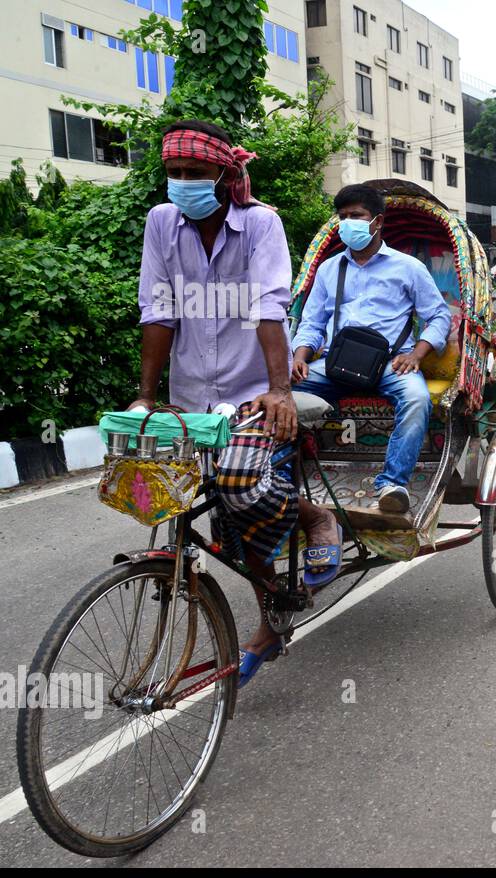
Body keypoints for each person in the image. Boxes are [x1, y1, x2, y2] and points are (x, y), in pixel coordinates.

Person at [131, 119, 341, 688]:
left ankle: (314, 516)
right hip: (191, 392)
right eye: (173, 174)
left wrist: (279, 390)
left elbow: (269, 306)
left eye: (194, 173)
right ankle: (272, 610)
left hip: (252, 389)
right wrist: (145, 397)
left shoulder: (260, 224)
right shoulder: (161, 223)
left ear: (224, 176)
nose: (182, 183)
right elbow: (158, 308)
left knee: (240, 486)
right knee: (181, 498)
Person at [292, 184, 452, 517]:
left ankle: (392, 484)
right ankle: (283, 478)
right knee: (279, 391)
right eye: (343, 217)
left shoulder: (407, 267)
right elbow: (312, 321)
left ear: (377, 221)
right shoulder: (330, 268)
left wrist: (417, 355)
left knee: (417, 399)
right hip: (337, 364)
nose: (348, 223)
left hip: (391, 366)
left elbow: (438, 315)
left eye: (357, 216)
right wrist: (299, 358)